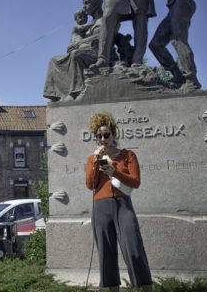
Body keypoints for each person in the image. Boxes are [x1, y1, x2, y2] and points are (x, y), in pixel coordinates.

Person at [85, 112, 152, 292]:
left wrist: (114, 171)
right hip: (101, 207)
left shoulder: (128, 155)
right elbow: (90, 185)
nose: (103, 138)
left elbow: (135, 182)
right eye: (99, 136)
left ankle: (146, 287)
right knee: (106, 253)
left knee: (134, 248)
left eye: (106, 134)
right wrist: (96, 161)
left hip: (123, 205)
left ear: (114, 135)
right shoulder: (93, 158)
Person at [124, 0, 201, 90]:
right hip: (174, 6)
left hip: (182, 1)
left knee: (179, 40)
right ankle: (178, 76)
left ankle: (192, 80)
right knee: (156, 44)